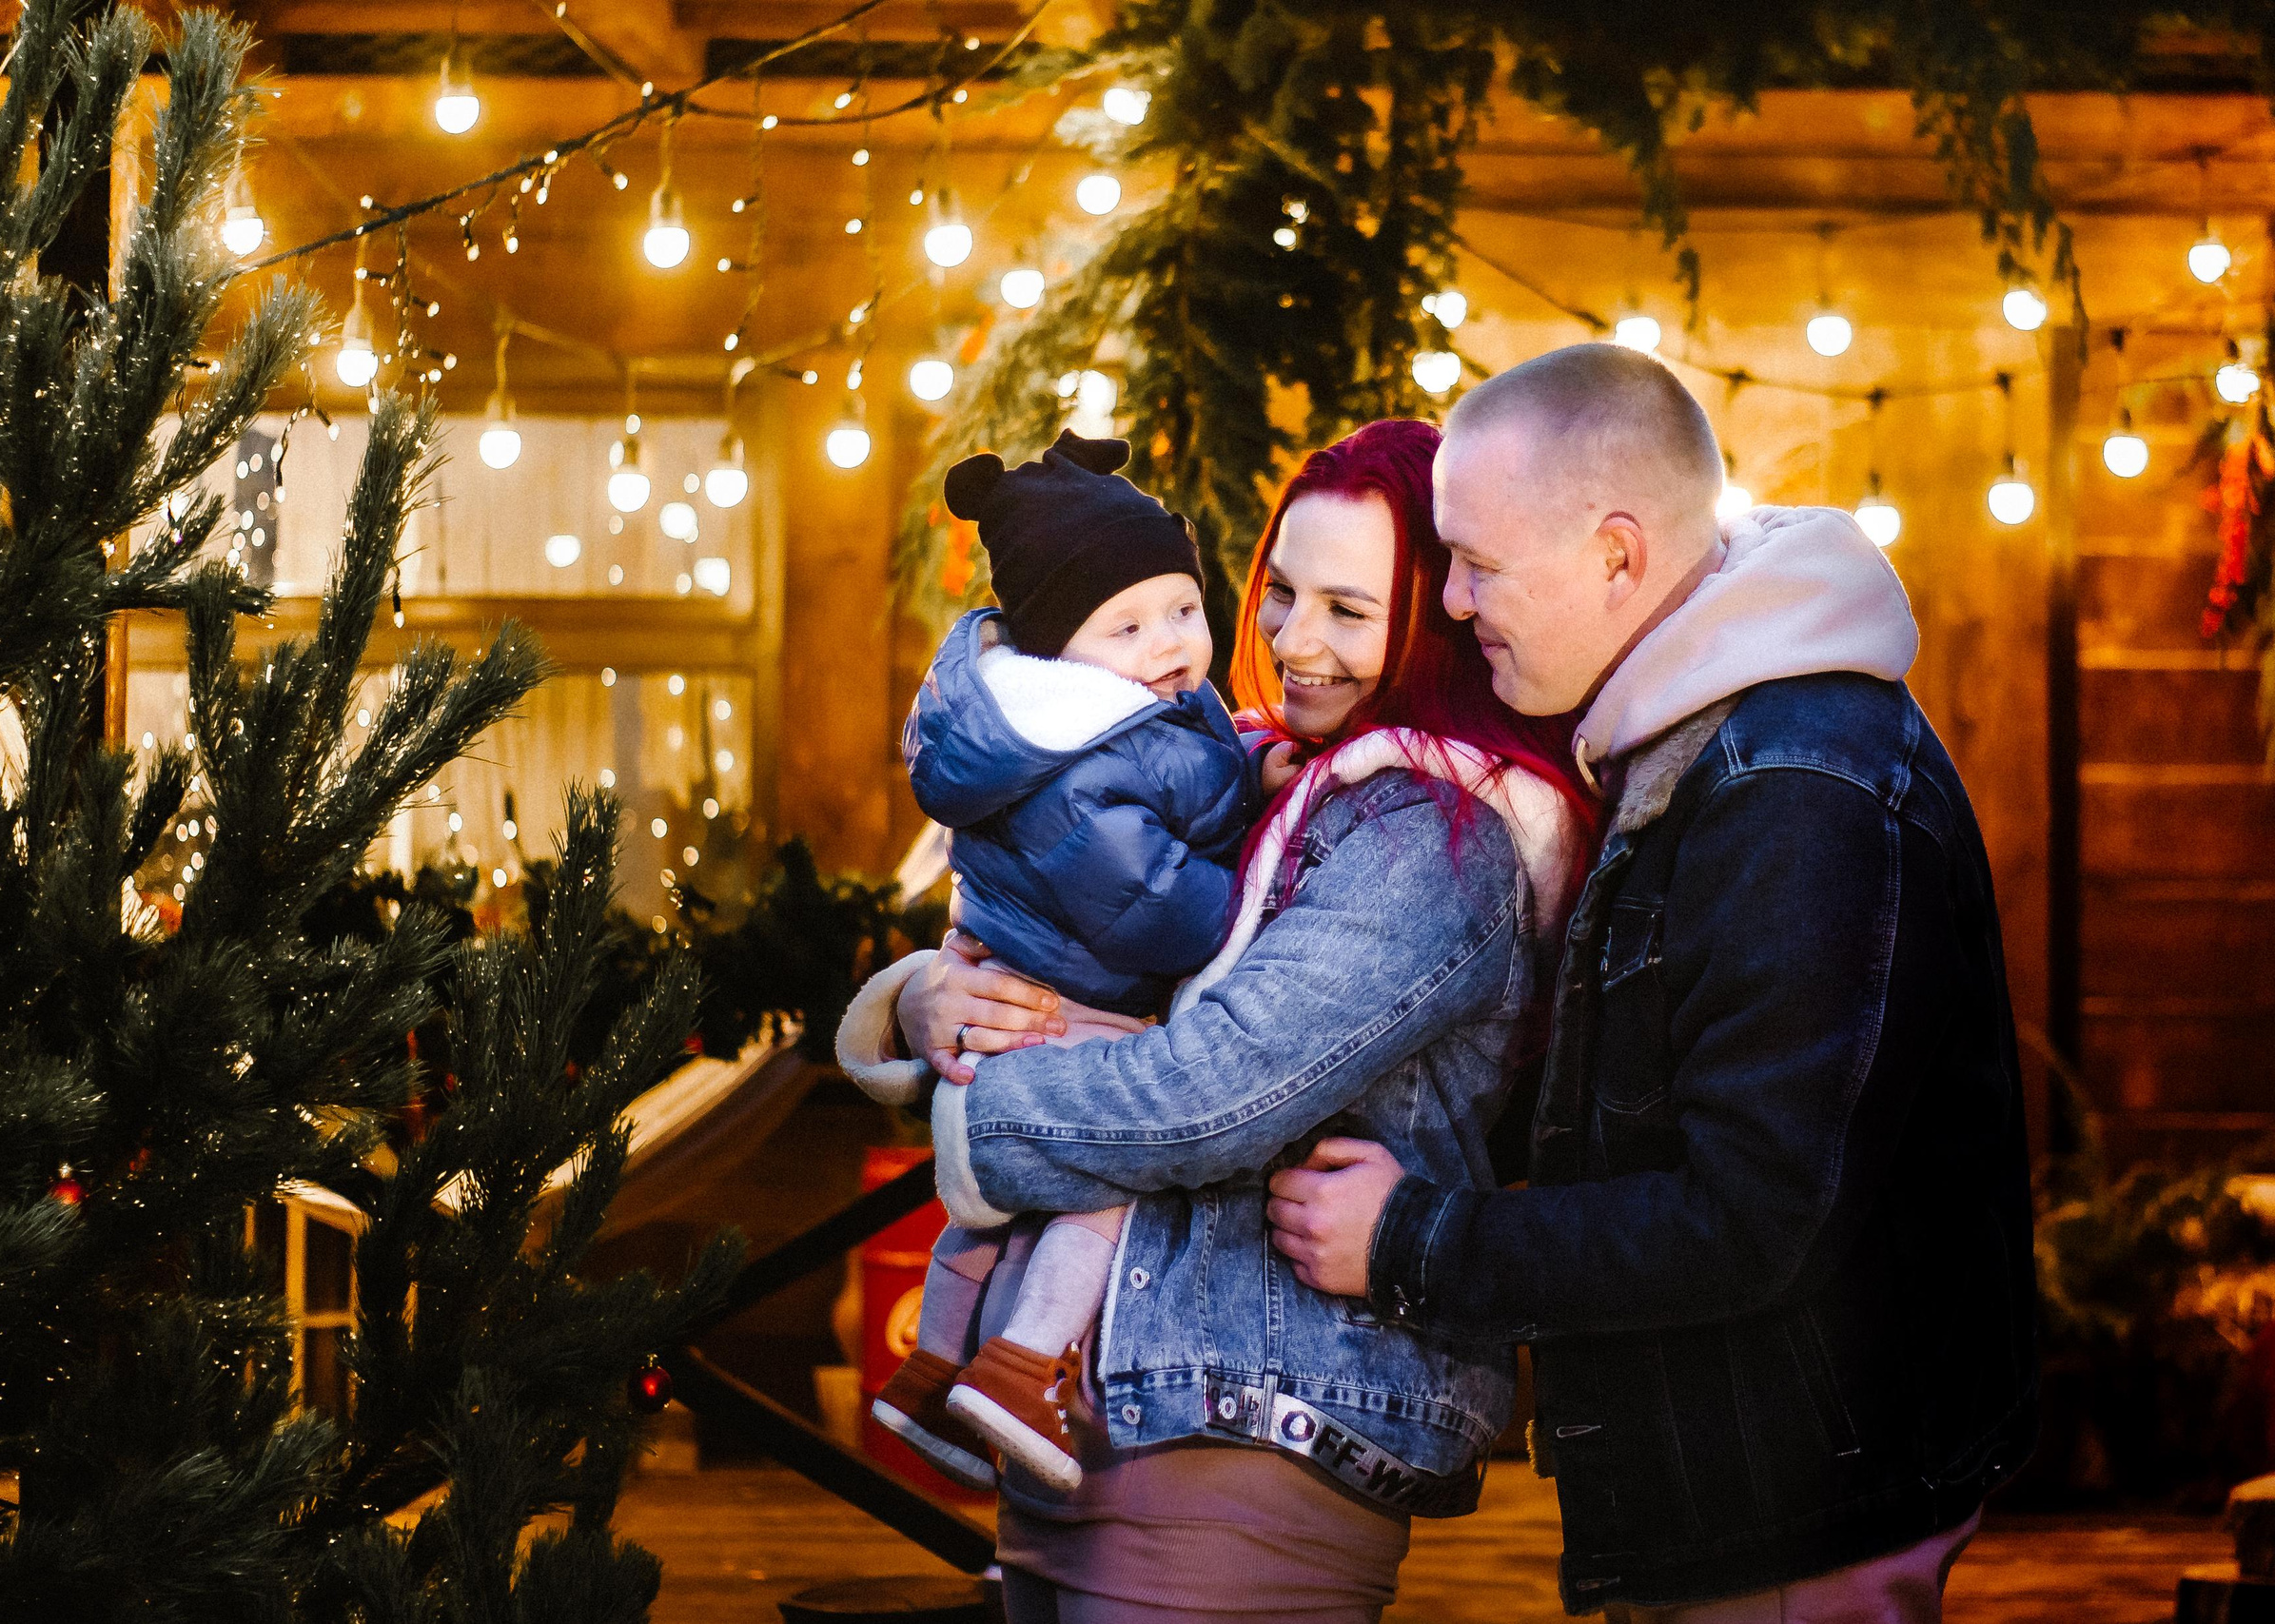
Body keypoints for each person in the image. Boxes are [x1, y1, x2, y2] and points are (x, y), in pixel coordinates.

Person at [1264, 343, 2036, 1623]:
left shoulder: (1792, 788)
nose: (1451, 603)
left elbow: (1752, 1217)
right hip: (1746, 1491)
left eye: (1479, 563)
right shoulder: (1691, 743)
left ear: (1619, 554)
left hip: (1794, 1511)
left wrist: (1414, 1240)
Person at [839, 418, 1598, 1623]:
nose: (1295, 642)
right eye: (1282, 592)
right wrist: (927, 997)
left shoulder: (1427, 838)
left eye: (1351, 611)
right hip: (1103, 1415)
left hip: (1249, 1429)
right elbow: (1070, 935)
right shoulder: (1258, 774)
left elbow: (1209, 1096)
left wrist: (976, 1115)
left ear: (1441, 621)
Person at [862, 431, 1253, 1496]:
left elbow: (1197, 779)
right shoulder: (1080, 760)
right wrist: (1259, 898)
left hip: (1032, 1002)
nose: (1168, 641)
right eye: (1124, 625)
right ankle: (1024, 1364)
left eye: (1183, 609)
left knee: (988, 1222)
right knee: (1100, 1191)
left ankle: (933, 1366)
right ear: (1055, 649)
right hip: (1076, 1008)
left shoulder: (1101, 722)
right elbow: (1157, 915)